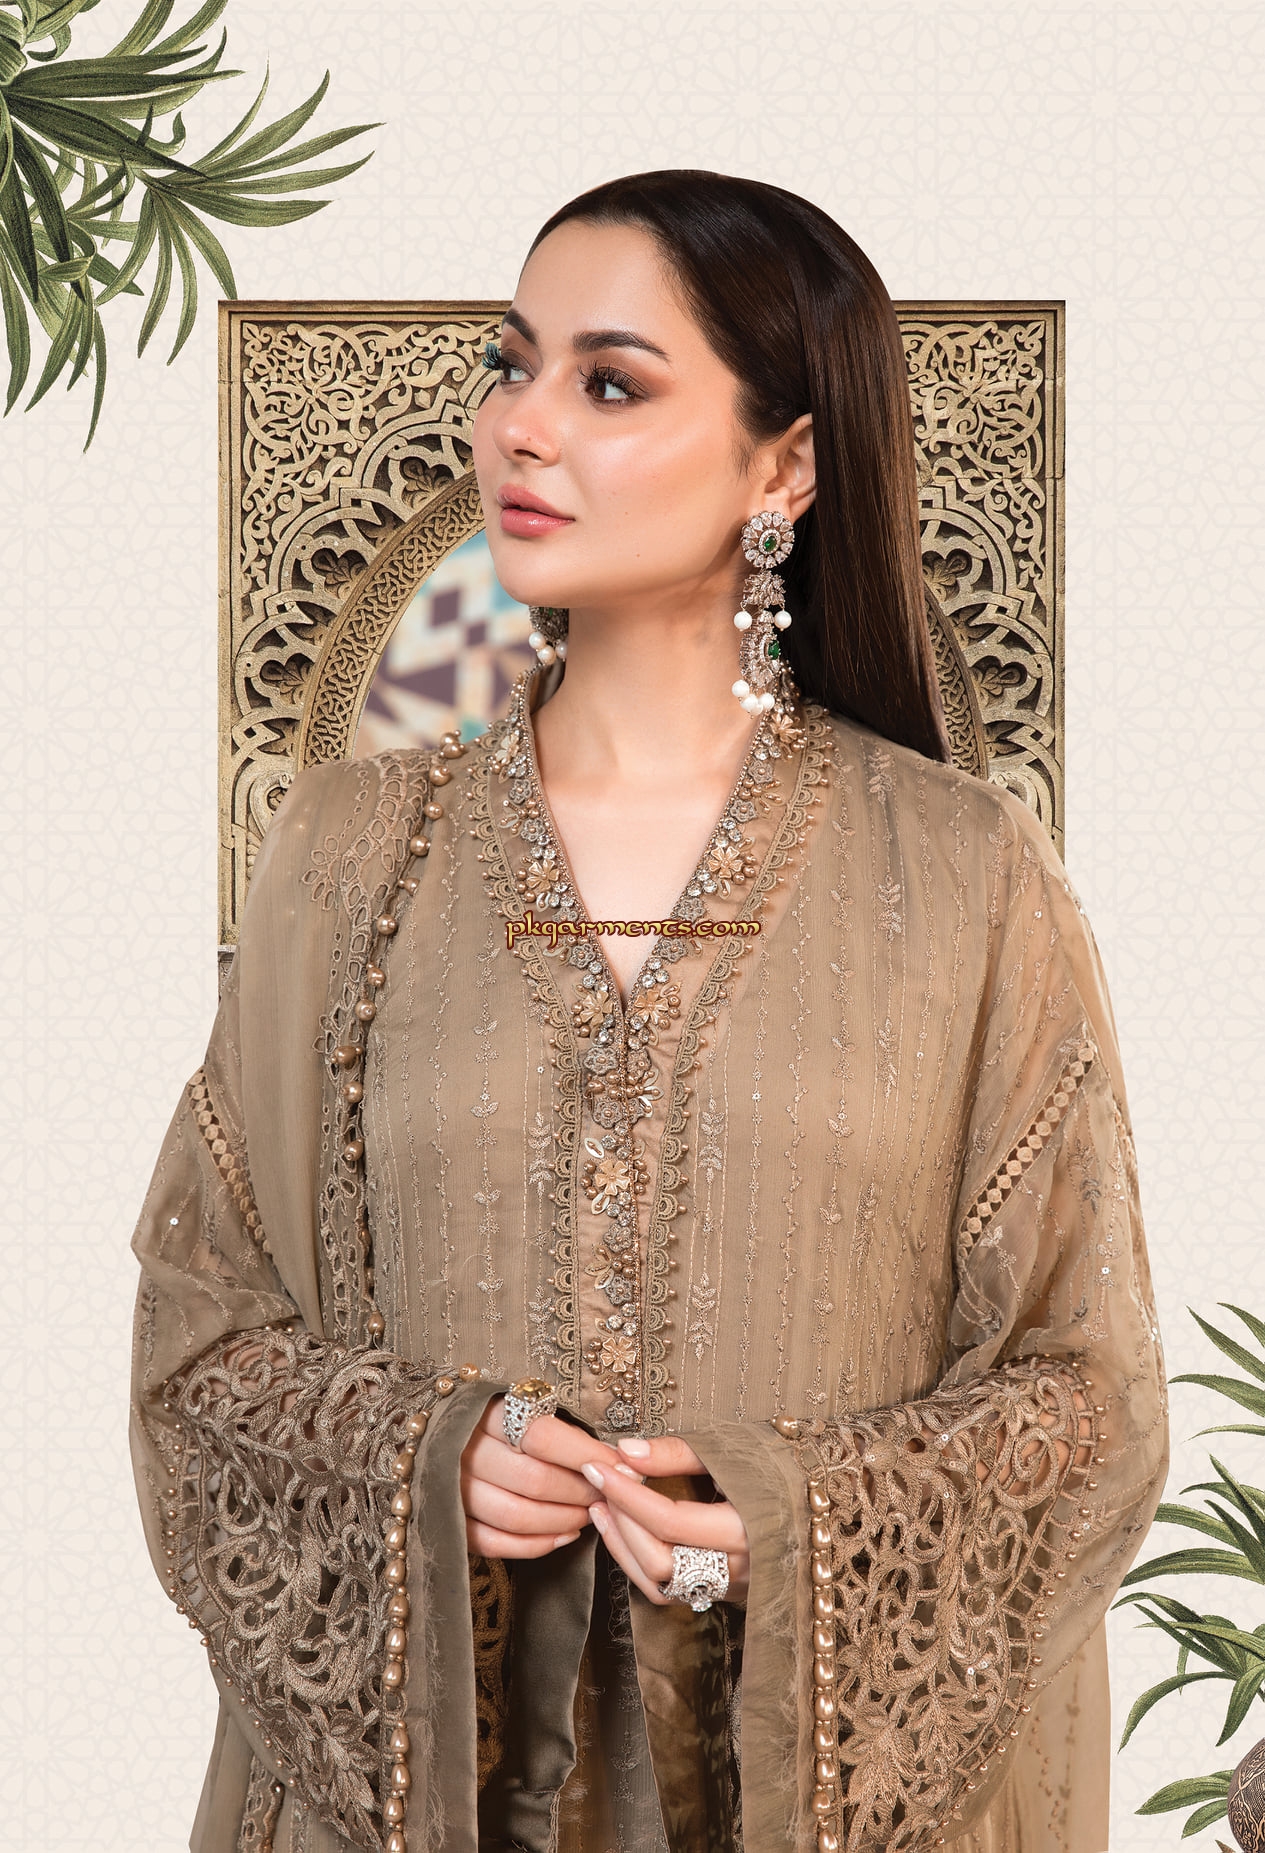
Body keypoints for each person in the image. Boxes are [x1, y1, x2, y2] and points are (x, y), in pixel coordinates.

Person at [129, 171, 1168, 1853]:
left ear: (784, 467)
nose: (522, 425)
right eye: (510, 363)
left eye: (609, 382)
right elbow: (201, 1332)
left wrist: (799, 1518)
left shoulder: (964, 875)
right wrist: (422, 1465)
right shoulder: (347, 852)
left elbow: (1087, 1395)